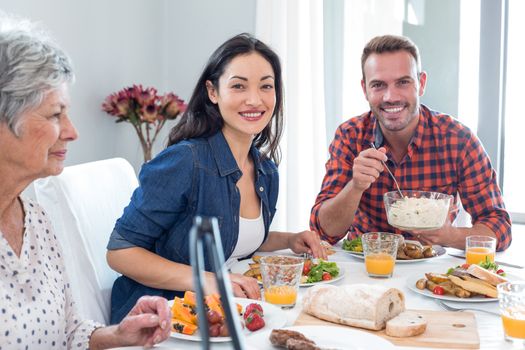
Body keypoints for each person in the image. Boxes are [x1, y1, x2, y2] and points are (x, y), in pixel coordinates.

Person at [106, 33, 326, 323]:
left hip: (223, 314)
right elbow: (121, 252)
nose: (254, 99)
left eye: (266, 86)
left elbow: (229, 238)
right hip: (161, 318)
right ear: (213, 92)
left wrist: (289, 239)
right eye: (238, 86)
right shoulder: (186, 161)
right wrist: (209, 281)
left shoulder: (266, 170)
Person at [0, 15, 171, 349]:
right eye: (54, 114)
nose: (72, 131)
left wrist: (120, 333)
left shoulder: (35, 219)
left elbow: (71, 331)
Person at [310, 34, 511, 252]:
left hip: (431, 271)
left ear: (421, 83)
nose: (390, 96)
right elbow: (323, 231)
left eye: (403, 82)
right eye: (378, 85)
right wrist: (356, 186)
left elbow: (499, 228)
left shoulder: (458, 140)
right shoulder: (350, 136)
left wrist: (449, 236)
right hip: (365, 268)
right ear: (365, 89)